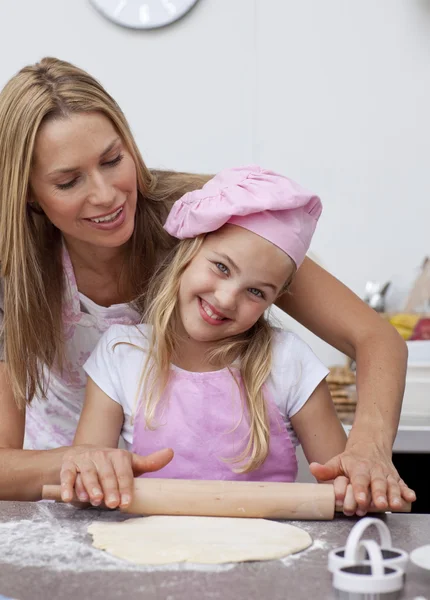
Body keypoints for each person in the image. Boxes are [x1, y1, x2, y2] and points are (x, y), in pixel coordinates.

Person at [0, 57, 415, 515]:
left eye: (113, 160)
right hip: (76, 502)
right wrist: (81, 462)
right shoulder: (12, 275)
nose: (105, 194)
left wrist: (368, 450)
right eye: (68, 181)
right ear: (28, 193)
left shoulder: (209, 224)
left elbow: (376, 338)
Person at [68, 165, 349, 510]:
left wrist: (362, 482)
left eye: (257, 292)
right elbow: (87, 482)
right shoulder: (121, 354)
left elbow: (342, 486)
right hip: (154, 549)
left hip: (264, 552)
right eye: (221, 267)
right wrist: (95, 476)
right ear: (188, 251)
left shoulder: (288, 361)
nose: (228, 298)